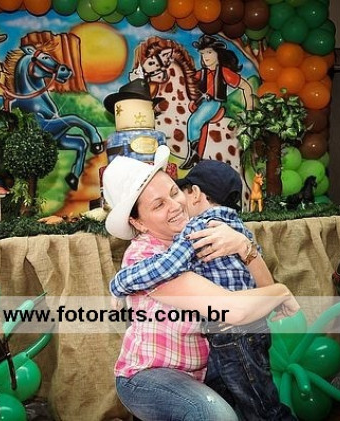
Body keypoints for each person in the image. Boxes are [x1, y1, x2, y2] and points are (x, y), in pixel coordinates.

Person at [103, 146, 300, 421]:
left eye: (174, 192)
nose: (175, 205)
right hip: (149, 375)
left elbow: (260, 295)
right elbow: (234, 310)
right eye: (158, 205)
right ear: (139, 223)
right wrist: (282, 291)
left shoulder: (200, 232)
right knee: (217, 415)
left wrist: (244, 248)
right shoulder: (146, 256)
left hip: (205, 370)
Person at [181, 35, 254, 169]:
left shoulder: (224, 72)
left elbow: (245, 86)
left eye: (209, 52)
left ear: (217, 54)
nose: (205, 56)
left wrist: (249, 107)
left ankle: (194, 156)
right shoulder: (200, 73)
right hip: (200, 102)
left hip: (213, 103)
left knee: (194, 122)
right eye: (203, 53)